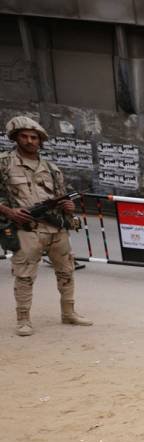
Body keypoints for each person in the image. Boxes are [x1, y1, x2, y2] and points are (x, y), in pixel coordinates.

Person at [0, 116, 91, 336]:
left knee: (66, 271)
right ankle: (23, 320)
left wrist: (68, 207)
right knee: (24, 275)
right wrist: (8, 211)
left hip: (55, 228)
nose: (30, 141)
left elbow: (60, 196)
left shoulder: (51, 168)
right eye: (25, 136)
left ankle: (68, 312)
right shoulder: (4, 163)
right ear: (15, 138)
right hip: (27, 229)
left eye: (34, 137)